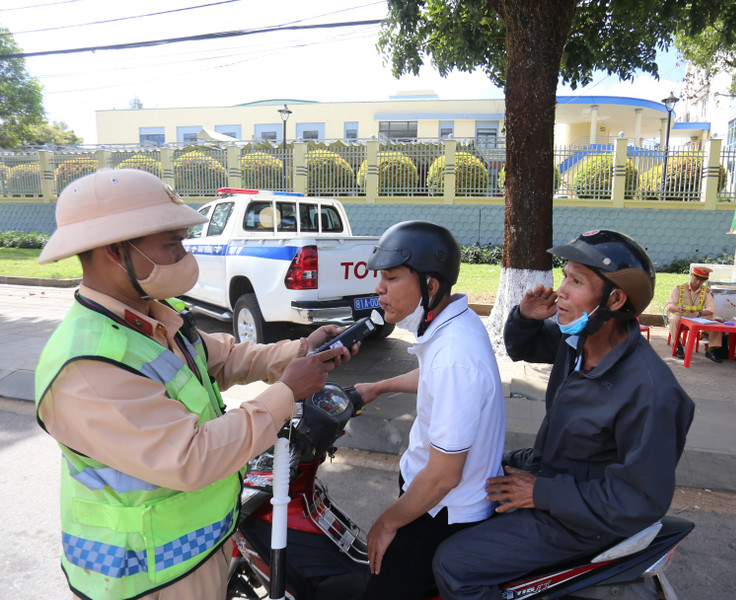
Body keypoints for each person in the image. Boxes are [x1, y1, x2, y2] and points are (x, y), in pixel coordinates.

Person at [34, 169, 353, 600]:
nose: (185, 253)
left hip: (199, 551)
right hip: (142, 578)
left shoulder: (153, 315)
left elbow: (220, 357)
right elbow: (191, 456)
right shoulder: (88, 367)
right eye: (172, 243)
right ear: (115, 250)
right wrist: (285, 393)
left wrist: (300, 350)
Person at [432, 229, 695, 600]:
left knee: (455, 564)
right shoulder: (580, 340)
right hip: (552, 471)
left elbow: (637, 502)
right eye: (564, 276)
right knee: (459, 479)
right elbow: (523, 346)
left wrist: (541, 493)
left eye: (576, 281)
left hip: (585, 519)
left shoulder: (650, 393)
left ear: (615, 299)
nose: (561, 291)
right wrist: (525, 316)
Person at [353, 221, 506, 600]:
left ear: (430, 285)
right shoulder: (455, 323)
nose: (379, 289)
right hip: (431, 500)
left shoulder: (455, 356)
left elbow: (441, 477)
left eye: (390, 278)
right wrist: (377, 387)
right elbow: (433, 377)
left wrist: (385, 524)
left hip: (440, 512)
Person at [666, 265, 726, 362]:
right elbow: (670, 306)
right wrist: (677, 308)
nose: (698, 282)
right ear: (692, 275)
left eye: (702, 280)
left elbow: (712, 309)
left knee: (717, 320)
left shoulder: (706, 291)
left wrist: (698, 314)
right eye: (696, 278)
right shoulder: (679, 288)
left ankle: (712, 350)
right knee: (674, 319)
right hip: (682, 316)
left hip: (698, 317)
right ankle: (678, 346)